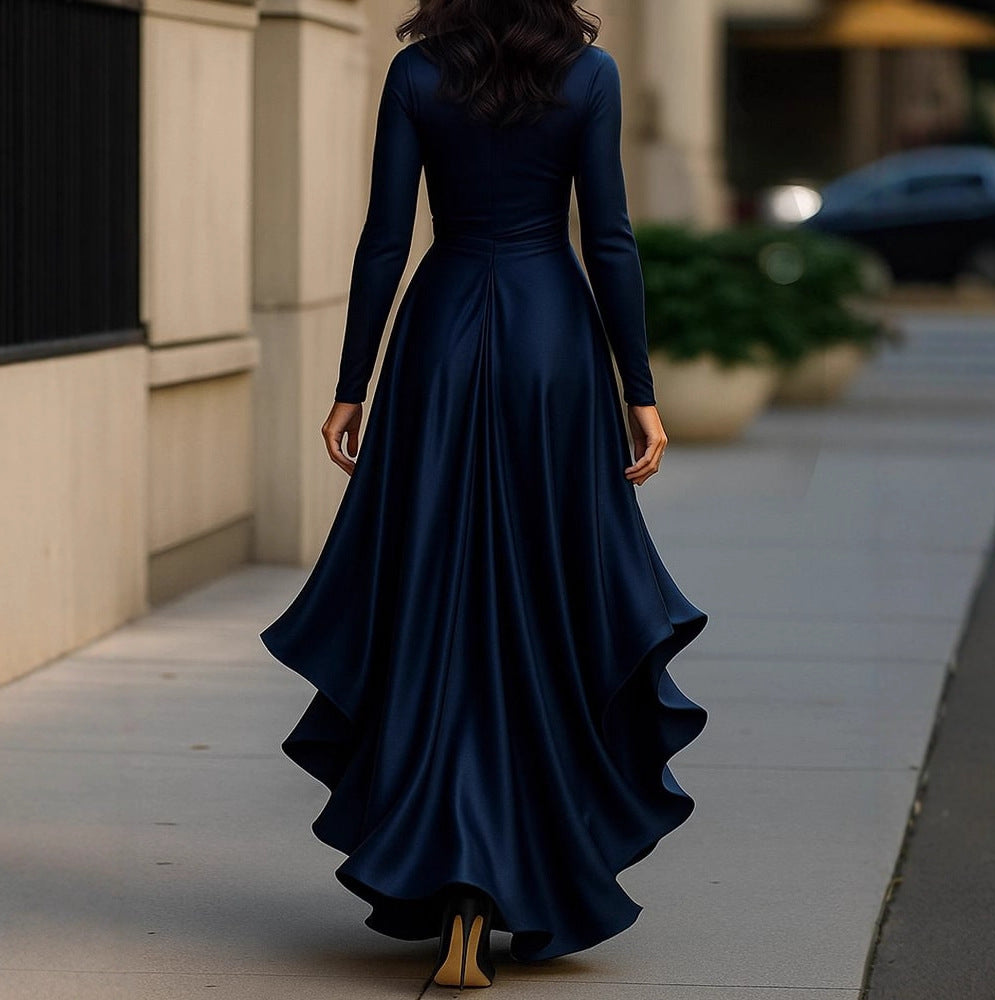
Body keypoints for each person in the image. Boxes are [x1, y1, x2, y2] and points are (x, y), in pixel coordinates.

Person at [259, 1, 710, 990]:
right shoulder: (588, 77)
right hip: (550, 344)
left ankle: (451, 881)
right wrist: (638, 389)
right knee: (541, 606)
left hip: (442, 341)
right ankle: (513, 869)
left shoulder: (419, 74)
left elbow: (385, 238)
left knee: (441, 600)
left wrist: (352, 382)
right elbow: (612, 240)